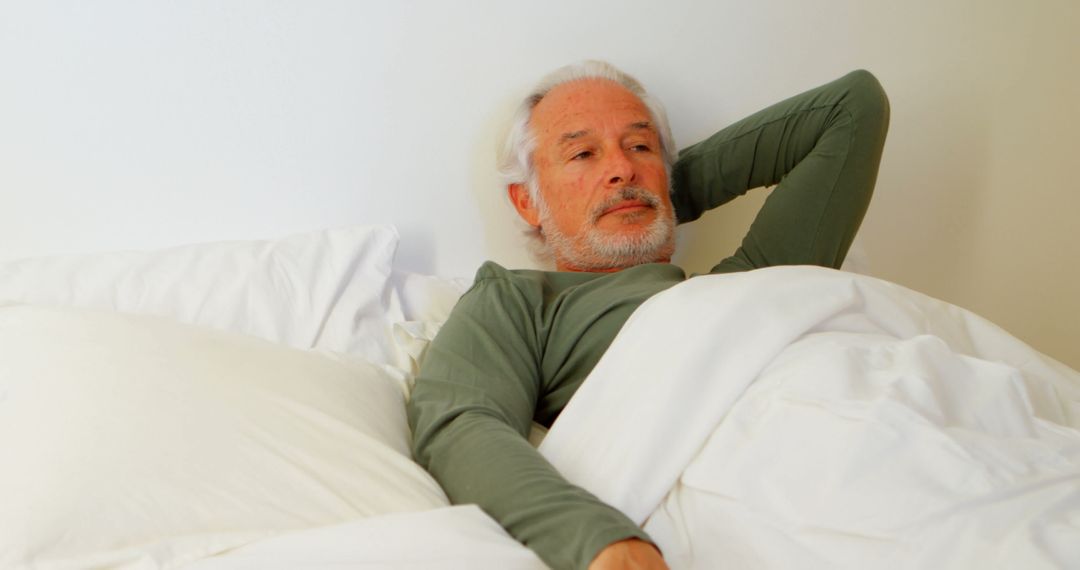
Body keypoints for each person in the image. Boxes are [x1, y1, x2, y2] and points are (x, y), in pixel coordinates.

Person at [406, 61, 890, 570]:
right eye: (582, 154)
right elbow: (458, 424)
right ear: (528, 202)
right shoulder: (519, 300)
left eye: (640, 147)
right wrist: (598, 541)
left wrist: (650, 195)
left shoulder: (747, 287)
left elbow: (852, 107)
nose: (621, 167)